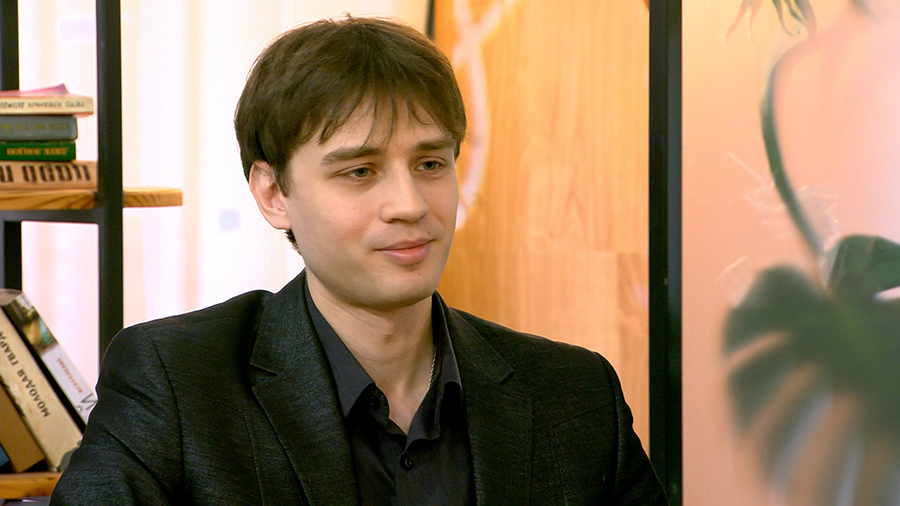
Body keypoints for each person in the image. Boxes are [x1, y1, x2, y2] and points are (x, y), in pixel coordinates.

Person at [50, 15, 667, 506]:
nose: (410, 204)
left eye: (430, 164)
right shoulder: (177, 382)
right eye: (360, 171)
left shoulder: (574, 394)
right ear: (273, 193)